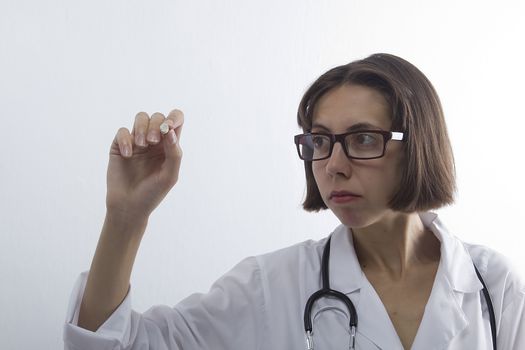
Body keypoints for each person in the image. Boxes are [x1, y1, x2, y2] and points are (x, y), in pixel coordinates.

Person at [63, 53, 525, 350]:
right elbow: (117, 345)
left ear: (418, 144)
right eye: (320, 141)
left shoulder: (492, 286)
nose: (334, 165)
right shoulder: (272, 286)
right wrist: (126, 217)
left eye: (363, 139)